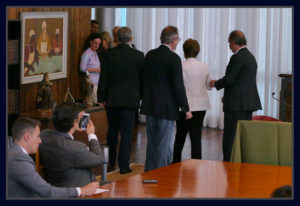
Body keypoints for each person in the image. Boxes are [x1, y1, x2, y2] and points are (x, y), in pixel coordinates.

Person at [141, 25, 192, 172]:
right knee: (164, 144)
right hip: (167, 108)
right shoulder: (174, 58)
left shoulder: (150, 55)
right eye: (178, 40)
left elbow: (144, 79)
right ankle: (162, 175)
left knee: (152, 143)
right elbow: (178, 86)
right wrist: (186, 109)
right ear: (174, 40)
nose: (178, 43)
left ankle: (149, 172)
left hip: (150, 105)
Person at [8, 117, 99, 198]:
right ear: (27, 137)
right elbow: (47, 191)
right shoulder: (18, 160)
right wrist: (81, 191)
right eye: (38, 136)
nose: (40, 141)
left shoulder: (13, 153)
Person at [209, 30, 262, 161]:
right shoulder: (250, 57)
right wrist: (227, 95)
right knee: (243, 136)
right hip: (248, 103)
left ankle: (228, 161)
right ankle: (241, 161)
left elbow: (230, 79)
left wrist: (215, 83)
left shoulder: (237, 57)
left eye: (229, 44)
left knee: (230, 136)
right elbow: (242, 81)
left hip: (236, 105)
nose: (229, 47)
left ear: (234, 42)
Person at [98, 27, 144, 174]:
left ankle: (111, 160)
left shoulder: (108, 55)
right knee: (126, 133)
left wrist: (101, 97)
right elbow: (142, 80)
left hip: (112, 99)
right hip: (131, 100)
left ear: (116, 38)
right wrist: (141, 96)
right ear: (131, 38)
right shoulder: (138, 56)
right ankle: (124, 165)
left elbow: (103, 78)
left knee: (112, 130)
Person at [39, 102, 103, 187]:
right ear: (75, 122)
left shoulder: (43, 135)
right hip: (79, 191)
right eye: (81, 117)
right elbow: (98, 159)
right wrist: (91, 135)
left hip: (55, 188)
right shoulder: (76, 148)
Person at [172, 39, 212, 163]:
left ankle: (176, 161)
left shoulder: (181, 66)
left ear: (184, 52)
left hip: (184, 106)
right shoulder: (204, 66)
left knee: (180, 135)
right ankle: (197, 162)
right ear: (197, 52)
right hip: (201, 106)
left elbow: (177, 86)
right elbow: (209, 86)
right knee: (196, 136)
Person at [80, 33, 101, 104]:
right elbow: (82, 68)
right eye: (95, 43)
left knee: (97, 103)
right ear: (90, 42)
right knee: (95, 104)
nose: (97, 45)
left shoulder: (95, 53)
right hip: (91, 84)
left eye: (98, 44)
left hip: (97, 83)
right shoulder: (86, 53)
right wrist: (97, 70)